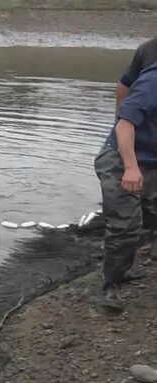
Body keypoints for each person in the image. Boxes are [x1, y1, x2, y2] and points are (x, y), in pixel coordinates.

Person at [95, 61, 157, 311]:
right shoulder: (153, 81)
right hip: (121, 158)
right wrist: (131, 167)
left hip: (151, 160)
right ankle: (111, 286)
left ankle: (126, 266)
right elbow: (124, 123)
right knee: (125, 225)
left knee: (150, 216)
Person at [116, 38, 157, 261]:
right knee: (133, 208)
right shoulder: (148, 53)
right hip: (143, 142)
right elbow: (125, 85)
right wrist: (122, 120)